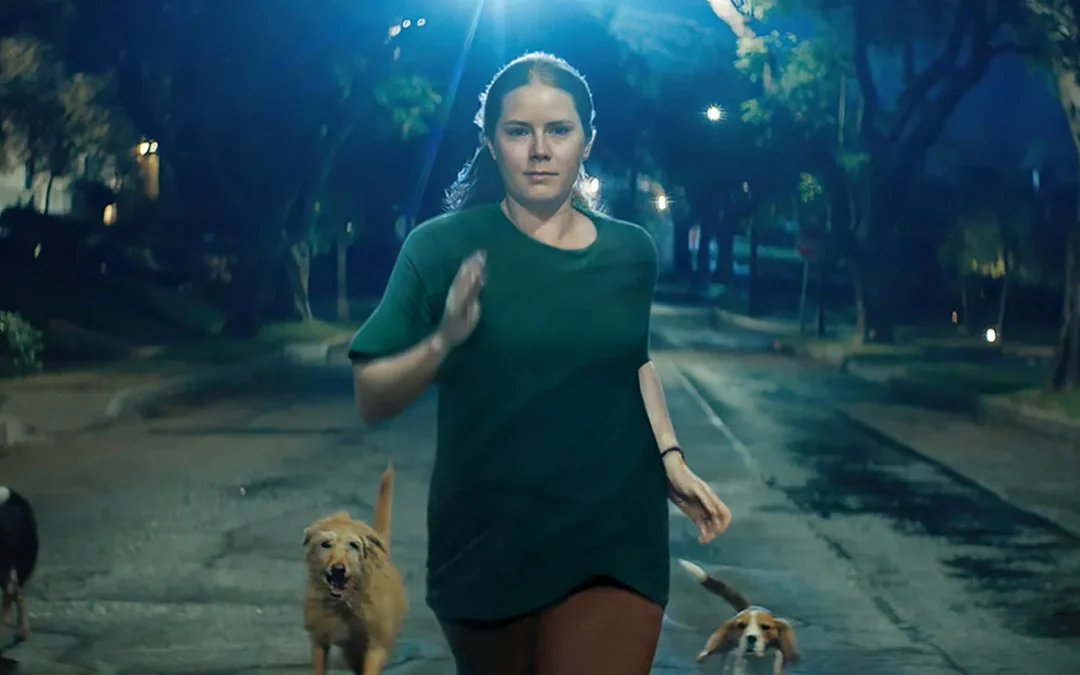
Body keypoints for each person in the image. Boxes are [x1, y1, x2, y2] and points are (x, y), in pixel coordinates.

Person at [348, 51, 732, 675]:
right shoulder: (439, 248)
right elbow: (371, 395)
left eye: (559, 130)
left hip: (614, 536)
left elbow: (632, 364)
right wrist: (441, 342)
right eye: (518, 131)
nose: (539, 149)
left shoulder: (630, 252)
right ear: (491, 143)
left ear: (587, 141)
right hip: (486, 544)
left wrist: (671, 458)